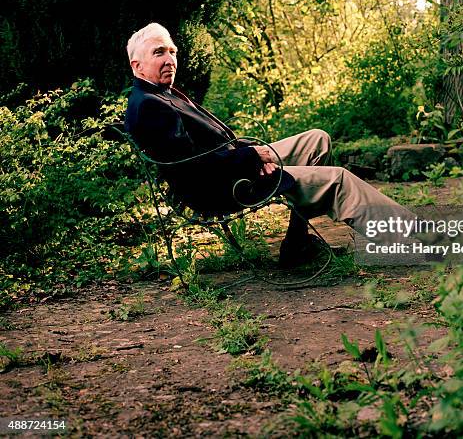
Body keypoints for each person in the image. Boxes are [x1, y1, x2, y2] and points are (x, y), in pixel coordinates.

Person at [124, 23, 415, 267]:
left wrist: (252, 153)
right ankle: (418, 240)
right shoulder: (151, 106)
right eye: (159, 52)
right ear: (137, 65)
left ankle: (297, 247)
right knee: (337, 179)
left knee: (317, 139)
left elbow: (213, 145)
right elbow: (193, 169)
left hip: (233, 165)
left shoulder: (162, 94)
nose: (170, 59)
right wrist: (253, 157)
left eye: (173, 51)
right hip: (222, 186)